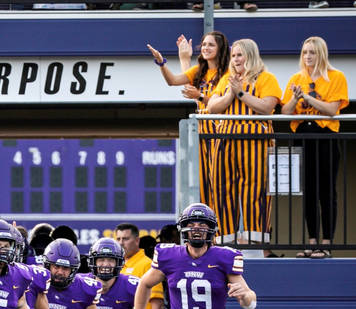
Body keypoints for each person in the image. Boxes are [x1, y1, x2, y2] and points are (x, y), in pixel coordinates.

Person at [207, 38, 282, 251]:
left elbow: (267, 107)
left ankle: (255, 240)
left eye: (240, 55)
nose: (236, 59)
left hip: (255, 142)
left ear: (250, 55)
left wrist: (241, 93)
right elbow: (212, 107)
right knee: (221, 189)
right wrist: (231, 93)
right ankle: (225, 240)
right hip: (225, 141)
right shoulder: (226, 80)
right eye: (233, 55)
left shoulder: (266, 78)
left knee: (255, 189)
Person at [281, 36, 349, 259]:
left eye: (312, 52)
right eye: (305, 52)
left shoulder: (336, 77)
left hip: (326, 135)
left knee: (327, 191)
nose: (308, 56)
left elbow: (331, 110)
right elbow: (285, 112)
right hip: (303, 135)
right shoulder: (296, 78)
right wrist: (296, 98)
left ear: (321, 54)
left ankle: (326, 243)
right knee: (309, 191)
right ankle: (311, 242)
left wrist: (309, 99)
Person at [148, 31, 231, 209]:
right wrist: (161, 62)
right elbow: (173, 81)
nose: (206, 48)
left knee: (221, 184)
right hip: (203, 132)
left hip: (222, 132)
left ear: (221, 48)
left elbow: (222, 104)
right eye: (204, 44)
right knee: (204, 183)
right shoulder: (200, 70)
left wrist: (200, 96)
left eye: (211, 45)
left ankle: (224, 230)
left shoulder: (228, 73)